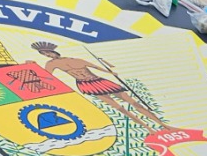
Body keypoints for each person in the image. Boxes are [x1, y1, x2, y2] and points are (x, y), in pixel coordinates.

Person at [30, 41, 165, 131]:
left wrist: (110, 71)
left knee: (132, 102)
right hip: (86, 85)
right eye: (44, 54)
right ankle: (149, 129)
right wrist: (34, 66)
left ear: (54, 51)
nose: (47, 55)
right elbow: (47, 76)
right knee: (120, 108)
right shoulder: (51, 64)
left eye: (48, 52)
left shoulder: (76, 59)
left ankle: (162, 125)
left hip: (99, 80)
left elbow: (94, 66)